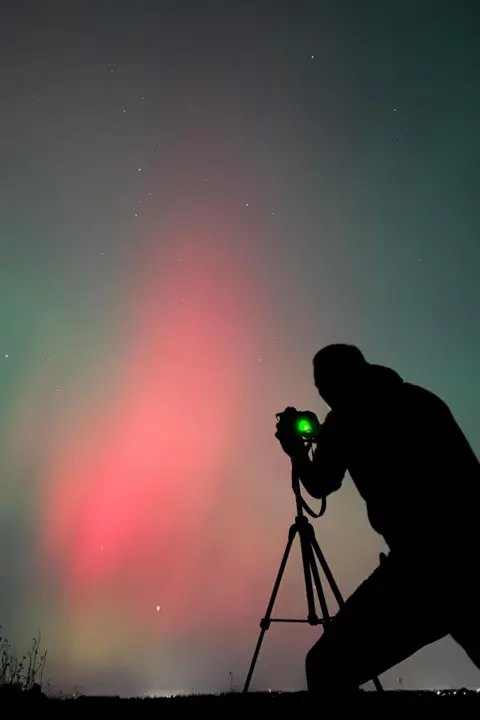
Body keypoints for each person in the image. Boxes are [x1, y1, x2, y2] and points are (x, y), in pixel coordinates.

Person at [275, 344, 480, 696]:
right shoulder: (419, 399)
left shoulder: (346, 415)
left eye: (321, 386)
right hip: (472, 556)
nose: (323, 395)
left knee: (326, 666)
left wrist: (296, 452)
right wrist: (327, 436)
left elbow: (321, 482)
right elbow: (379, 440)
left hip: (424, 569)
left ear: (330, 382)